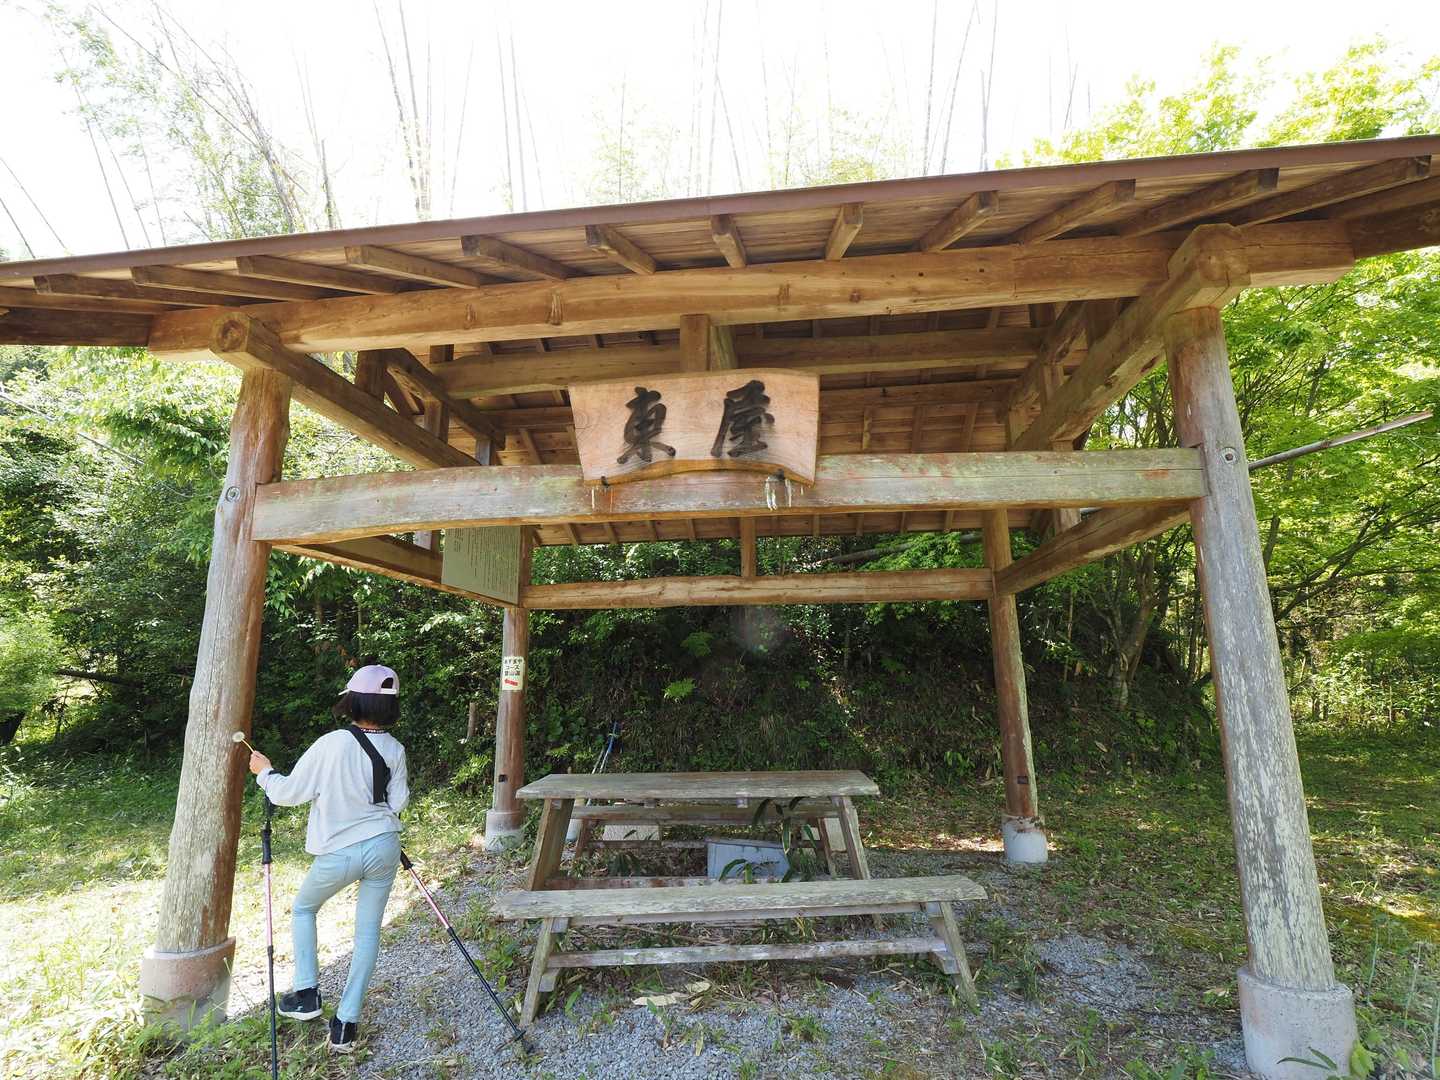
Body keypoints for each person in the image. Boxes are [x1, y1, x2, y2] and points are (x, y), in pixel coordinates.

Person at [248, 664, 410, 1054]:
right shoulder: (395, 748)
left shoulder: (332, 743)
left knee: (304, 909)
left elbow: (288, 793)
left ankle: (307, 994)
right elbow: (398, 802)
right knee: (367, 933)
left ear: (353, 702)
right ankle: (345, 1026)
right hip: (384, 845)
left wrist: (264, 772)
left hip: (340, 851)